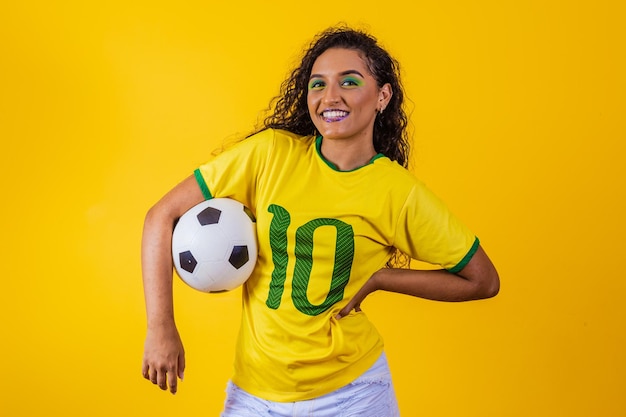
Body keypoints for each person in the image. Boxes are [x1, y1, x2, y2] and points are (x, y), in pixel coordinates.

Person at [141, 26, 499, 416]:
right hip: (256, 395)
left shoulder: (399, 193)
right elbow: (161, 216)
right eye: (318, 84)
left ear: (382, 96)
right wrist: (161, 327)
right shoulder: (270, 155)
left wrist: (382, 279)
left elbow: (483, 280)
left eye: (349, 81)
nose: (331, 97)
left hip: (355, 395)